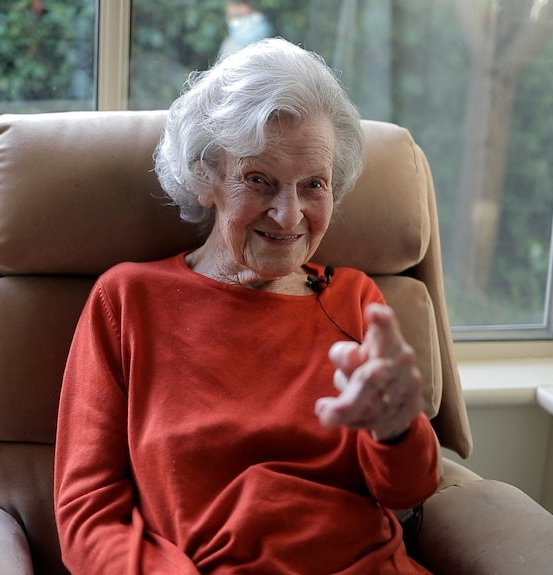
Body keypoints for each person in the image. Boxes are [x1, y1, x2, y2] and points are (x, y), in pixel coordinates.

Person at [54, 37, 440, 574]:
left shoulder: (355, 301)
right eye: (259, 180)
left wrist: (397, 427)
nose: (289, 216)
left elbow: (411, 489)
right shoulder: (127, 302)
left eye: (314, 186)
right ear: (205, 176)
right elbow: (88, 514)